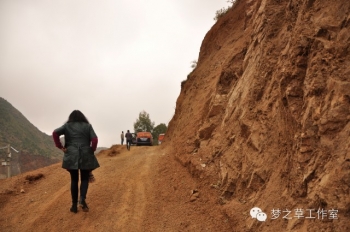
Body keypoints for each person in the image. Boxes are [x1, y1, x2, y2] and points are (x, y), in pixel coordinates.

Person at [52, 110, 100, 213]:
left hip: (71, 155)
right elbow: (95, 139)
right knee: (84, 178)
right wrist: (92, 149)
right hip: (85, 154)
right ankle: (82, 199)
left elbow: (55, 133)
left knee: (74, 180)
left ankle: (74, 206)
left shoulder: (67, 126)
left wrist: (60, 146)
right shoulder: (88, 126)